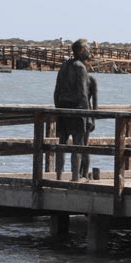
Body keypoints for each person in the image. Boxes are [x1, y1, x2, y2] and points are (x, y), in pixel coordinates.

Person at [53, 39, 93, 181]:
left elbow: (56, 92)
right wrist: (88, 116)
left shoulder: (64, 65)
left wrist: (58, 109)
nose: (90, 51)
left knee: (61, 145)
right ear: (82, 51)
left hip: (62, 109)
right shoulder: (80, 67)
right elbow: (83, 95)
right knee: (78, 145)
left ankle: (58, 176)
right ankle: (75, 177)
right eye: (88, 49)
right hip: (76, 111)